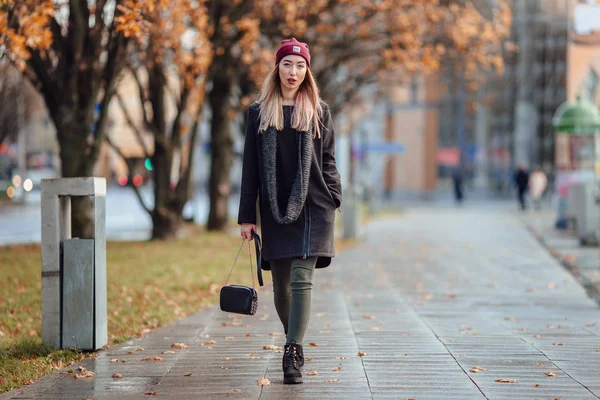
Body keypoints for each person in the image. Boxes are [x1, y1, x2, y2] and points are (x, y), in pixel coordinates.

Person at [237, 38, 342, 385]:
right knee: (280, 287)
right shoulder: (258, 112)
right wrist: (246, 217)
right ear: (277, 68)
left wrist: (334, 193)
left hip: (314, 204)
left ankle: (292, 351)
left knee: (301, 279)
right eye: (287, 65)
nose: (293, 72)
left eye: (300, 66)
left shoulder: (319, 110)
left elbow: (327, 159)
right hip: (275, 207)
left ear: (307, 70)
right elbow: (249, 168)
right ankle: (292, 340)